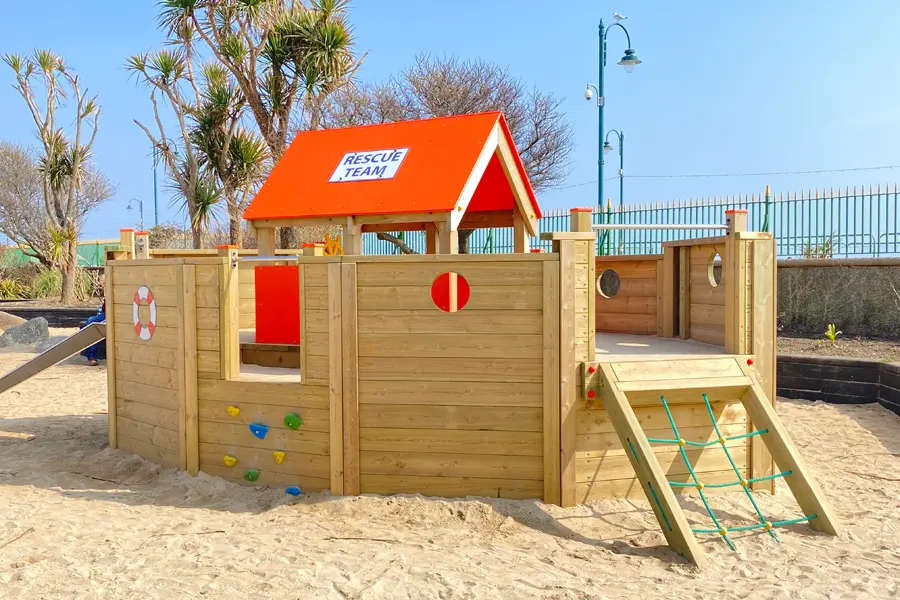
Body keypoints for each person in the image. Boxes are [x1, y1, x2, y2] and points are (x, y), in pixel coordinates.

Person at [81, 299, 106, 366]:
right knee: (91, 322)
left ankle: (91, 356)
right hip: (107, 313)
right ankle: (91, 356)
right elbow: (104, 309)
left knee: (91, 322)